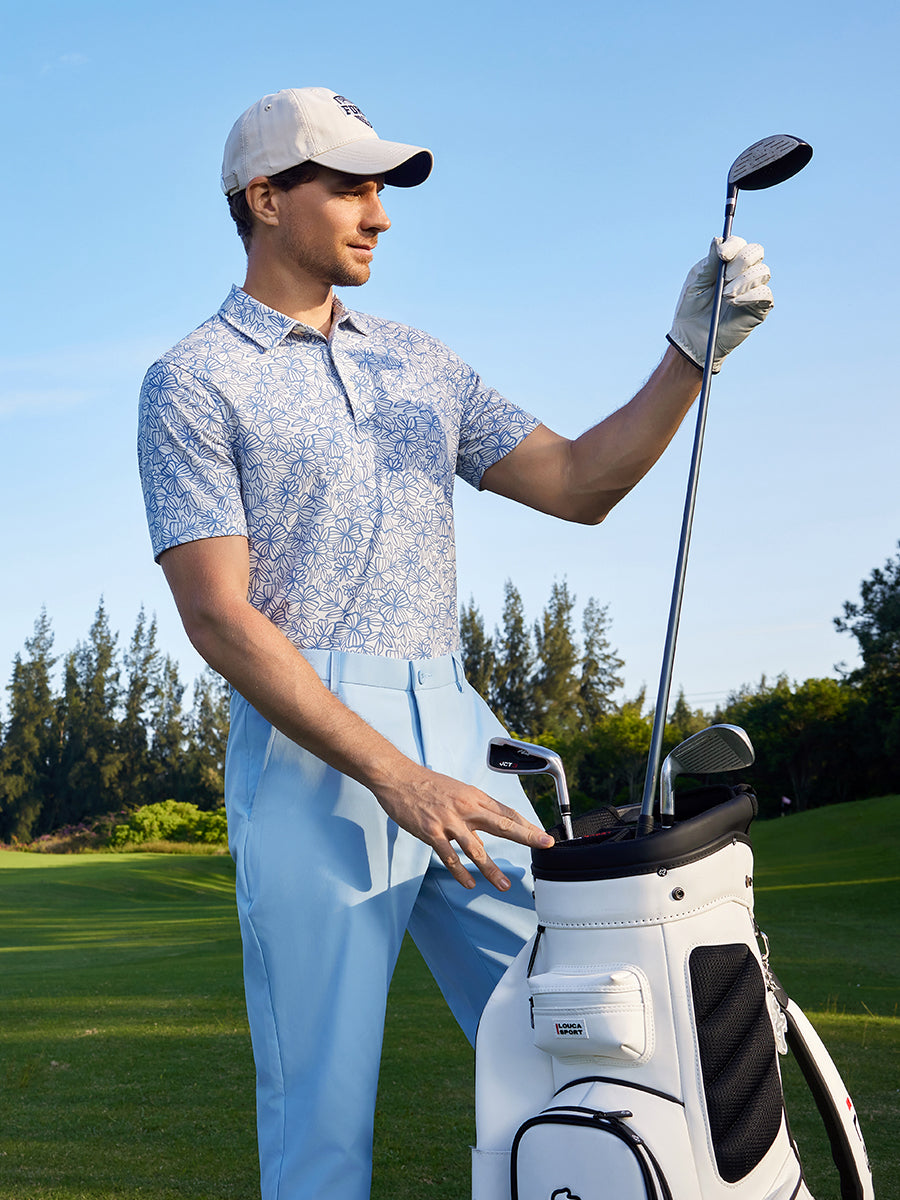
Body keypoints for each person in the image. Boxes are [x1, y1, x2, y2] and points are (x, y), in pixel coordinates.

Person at [137, 87, 774, 1200]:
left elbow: (578, 483)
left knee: (591, 1033)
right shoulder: (193, 379)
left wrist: (691, 352)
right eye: (351, 188)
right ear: (266, 198)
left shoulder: (419, 361)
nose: (380, 214)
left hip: (463, 737)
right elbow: (219, 617)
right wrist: (396, 776)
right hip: (314, 761)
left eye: (382, 190)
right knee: (322, 1124)